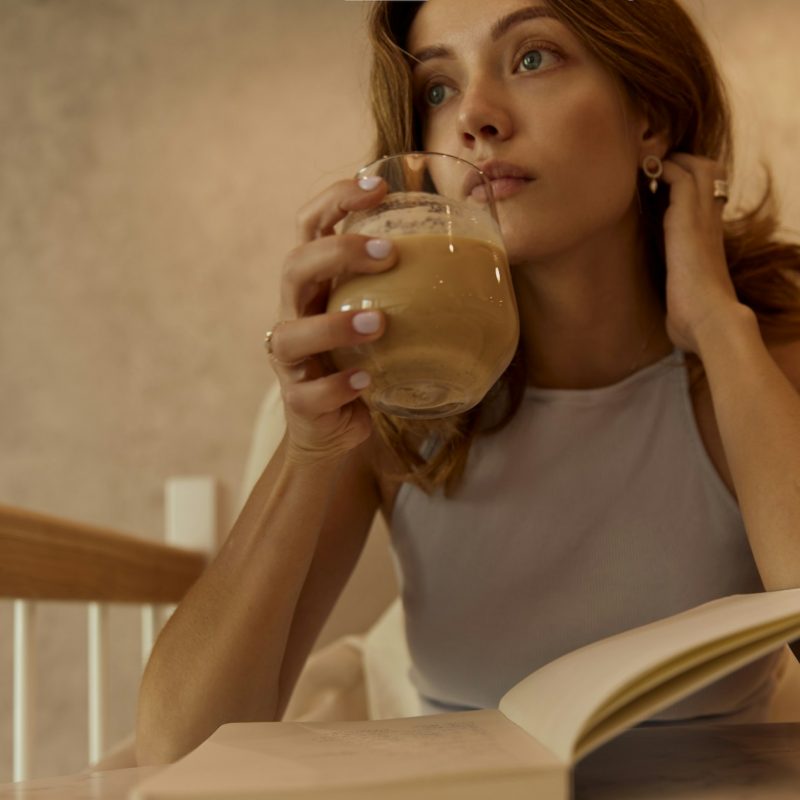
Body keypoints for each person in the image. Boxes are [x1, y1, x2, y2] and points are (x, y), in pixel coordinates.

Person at [135, 0, 800, 765]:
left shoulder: (765, 357)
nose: (474, 117)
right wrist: (312, 446)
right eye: (437, 90)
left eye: (532, 58)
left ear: (648, 117)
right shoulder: (392, 390)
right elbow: (177, 748)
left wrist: (717, 324)